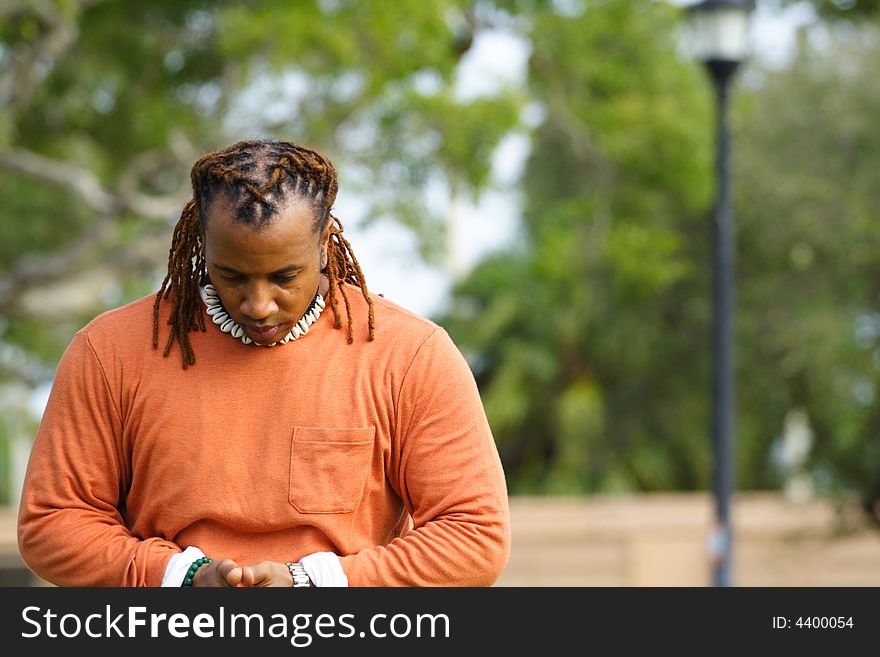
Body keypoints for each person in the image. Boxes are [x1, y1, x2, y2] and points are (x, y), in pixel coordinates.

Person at [17, 139, 511, 587]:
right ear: (200, 245)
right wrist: (179, 576)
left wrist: (315, 583)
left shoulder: (410, 356)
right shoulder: (110, 351)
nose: (258, 304)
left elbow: (475, 536)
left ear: (323, 244)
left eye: (284, 276)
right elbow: (52, 523)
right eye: (231, 275)